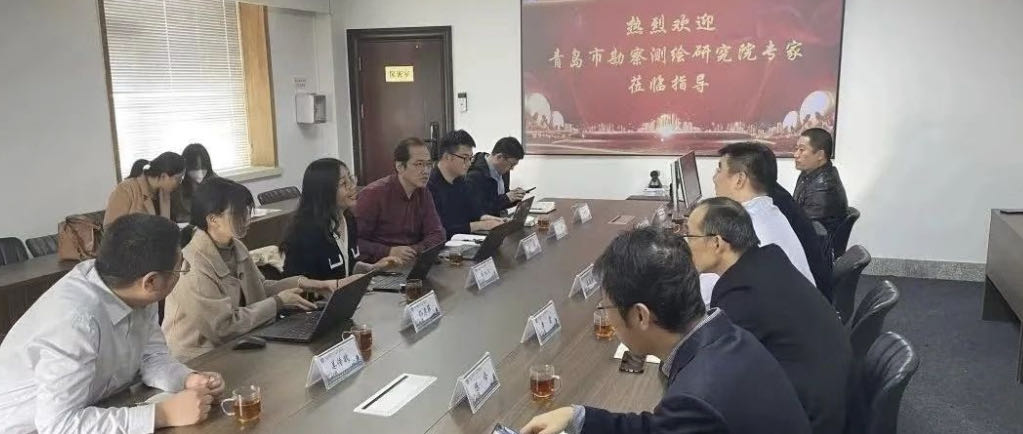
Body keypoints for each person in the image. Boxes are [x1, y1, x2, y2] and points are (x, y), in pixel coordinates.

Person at [520, 227, 811, 434]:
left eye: (607, 308)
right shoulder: (728, 336)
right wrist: (577, 417)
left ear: (641, 315)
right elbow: (665, 427)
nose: (606, 317)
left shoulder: (696, 399)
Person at [0, 214, 225, 433]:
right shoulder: (76, 322)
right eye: (180, 267)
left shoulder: (131, 287)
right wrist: (162, 415)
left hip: (95, 408)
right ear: (151, 281)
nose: (182, 273)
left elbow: (151, 357)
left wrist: (186, 379)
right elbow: (58, 425)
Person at [684, 197, 852, 434]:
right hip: (831, 399)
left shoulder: (741, 294)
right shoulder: (768, 260)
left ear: (717, 243)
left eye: (690, 236)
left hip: (810, 419)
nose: (686, 245)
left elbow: (713, 371)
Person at [162, 177, 347, 361]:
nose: (247, 219)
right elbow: (223, 328)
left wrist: (310, 284)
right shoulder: (193, 264)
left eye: (247, 211)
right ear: (213, 219)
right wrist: (278, 302)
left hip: (239, 343)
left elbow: (260, 287)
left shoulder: (235, 246)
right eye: (238, 213)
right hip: (199, 358)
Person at [713, 142, 815, 286]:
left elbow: (707, 289)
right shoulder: (771, 212)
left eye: (719, 170)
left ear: (739, 180)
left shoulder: (744, 230)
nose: (714, 177)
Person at [281, 158, 399, 280]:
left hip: (344, 291)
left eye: (351, 179)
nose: (352, 186)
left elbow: (347, 267)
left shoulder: (349, 219)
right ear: (324, 190)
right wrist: (336, 286)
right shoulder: (305, 231)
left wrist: (372, 268)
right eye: (343, 183)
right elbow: (297, 283)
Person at [355, 137, 446, 263]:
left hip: (412, 261)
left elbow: (438, 234)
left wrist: (413, 250)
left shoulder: (423, 192)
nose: (426, 171)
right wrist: (388, 251)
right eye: (419, 164)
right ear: (400, 166)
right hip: (381, 265)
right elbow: (354, 243)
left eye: (428, 164)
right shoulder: (373, 194)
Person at [428, 130, 506, 237]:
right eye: (465, 158)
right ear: (447, 157)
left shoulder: (460, 181)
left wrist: (488, 218)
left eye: (470, 158)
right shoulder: (429, 186)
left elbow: (472, 209)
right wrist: (480, 225)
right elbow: (441, 229)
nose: (469, 164)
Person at [105, 151, 185, 228]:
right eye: (178, 178)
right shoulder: (126, 189)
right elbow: (110, 228)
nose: (180, 182)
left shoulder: (165, 192)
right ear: (163, 176)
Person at [794, 128, 848, 235]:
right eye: (796, 149)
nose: (796, 155)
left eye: (802, 150)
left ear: (820, 155)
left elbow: (799, 223)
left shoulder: (824, 186)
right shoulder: (808, 174)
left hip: (815, 242)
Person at [465, 136, 527, 216]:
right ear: (499, 157)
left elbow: (501, 202)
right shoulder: (475, 175)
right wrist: (506, 198)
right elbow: (477, 209)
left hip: (500, 219)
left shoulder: (503, 171)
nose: (512, 169)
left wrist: (515, 197)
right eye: (511, 164)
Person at [173, 143, 217, 223]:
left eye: (203, 167)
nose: (200, 172)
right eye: (195, 168)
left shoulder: (216, 183)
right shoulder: (177, 188)